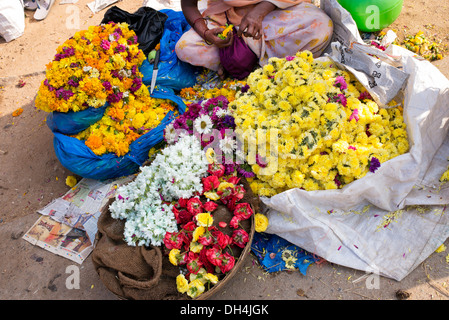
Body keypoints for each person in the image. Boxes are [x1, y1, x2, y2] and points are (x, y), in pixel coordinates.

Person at [175, 0, 334, 78]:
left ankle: (250, 64)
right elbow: (189, 5)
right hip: (224, 23)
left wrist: (259, 12)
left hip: (273, 16)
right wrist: (206, 33)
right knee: (185, 47)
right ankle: (246, 62)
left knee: (320, 25)